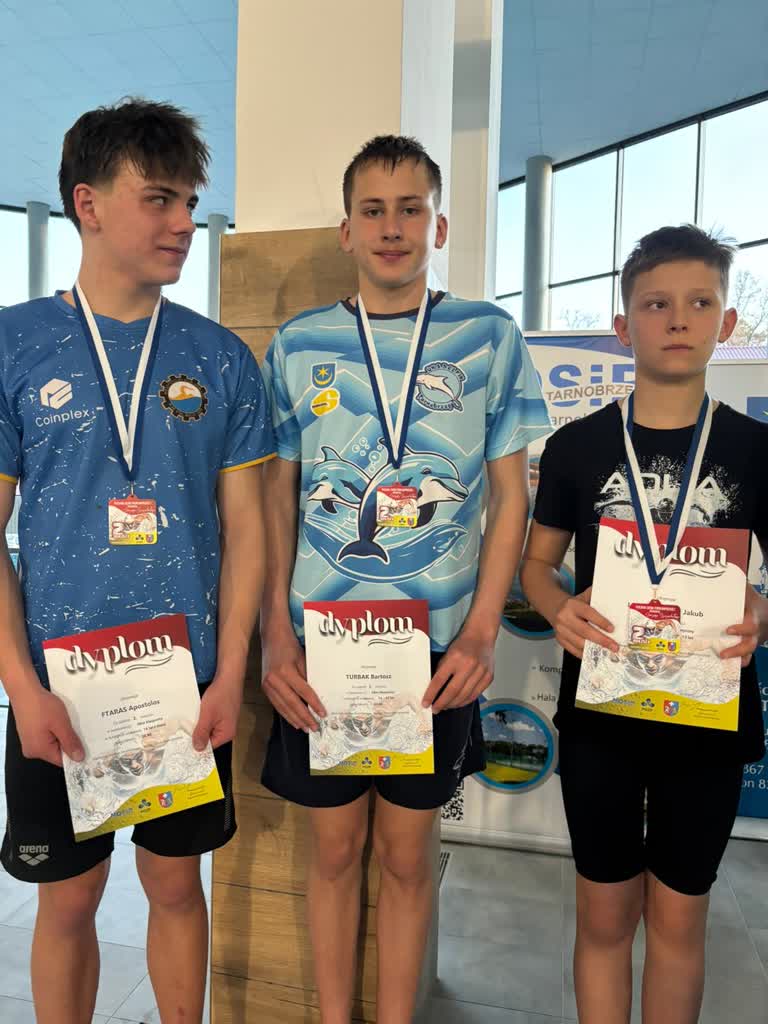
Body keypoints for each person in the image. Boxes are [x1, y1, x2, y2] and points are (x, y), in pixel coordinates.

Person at [259, 134, 550, 1023]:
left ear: (439, 225)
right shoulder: (299, 344)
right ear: (347, 230)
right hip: (321, 647)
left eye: (411, 209)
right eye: (374, 210)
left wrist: (481, 631)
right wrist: (274, 633)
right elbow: (277, 496)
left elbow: (511, 495)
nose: (393, 227)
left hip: (436, 652)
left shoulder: (488, 337)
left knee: (407, 857)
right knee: (333, 853)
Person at [0, 98, 275, 1024]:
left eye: (190, 201)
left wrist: (231, 672)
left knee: (175, 888)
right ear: (87, 202)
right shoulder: (12, 345)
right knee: (69, 899)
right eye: (159, 199)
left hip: (185, 686)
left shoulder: (222, 359)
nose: (184, 222)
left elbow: (247, 530)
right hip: (57, 687)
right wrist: (20, 688)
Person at [520, 224, 768, 1024]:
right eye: (657, 304)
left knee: (680, 921)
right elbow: (536, 566)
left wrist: (763, 610)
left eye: (700, 303)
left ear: (728, 322)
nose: (679, 319)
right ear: (623, 327)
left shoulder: (756, 448)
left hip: (710, 714)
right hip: (603, 715)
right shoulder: (576, 447)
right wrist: (557, 605)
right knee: (603, 918)